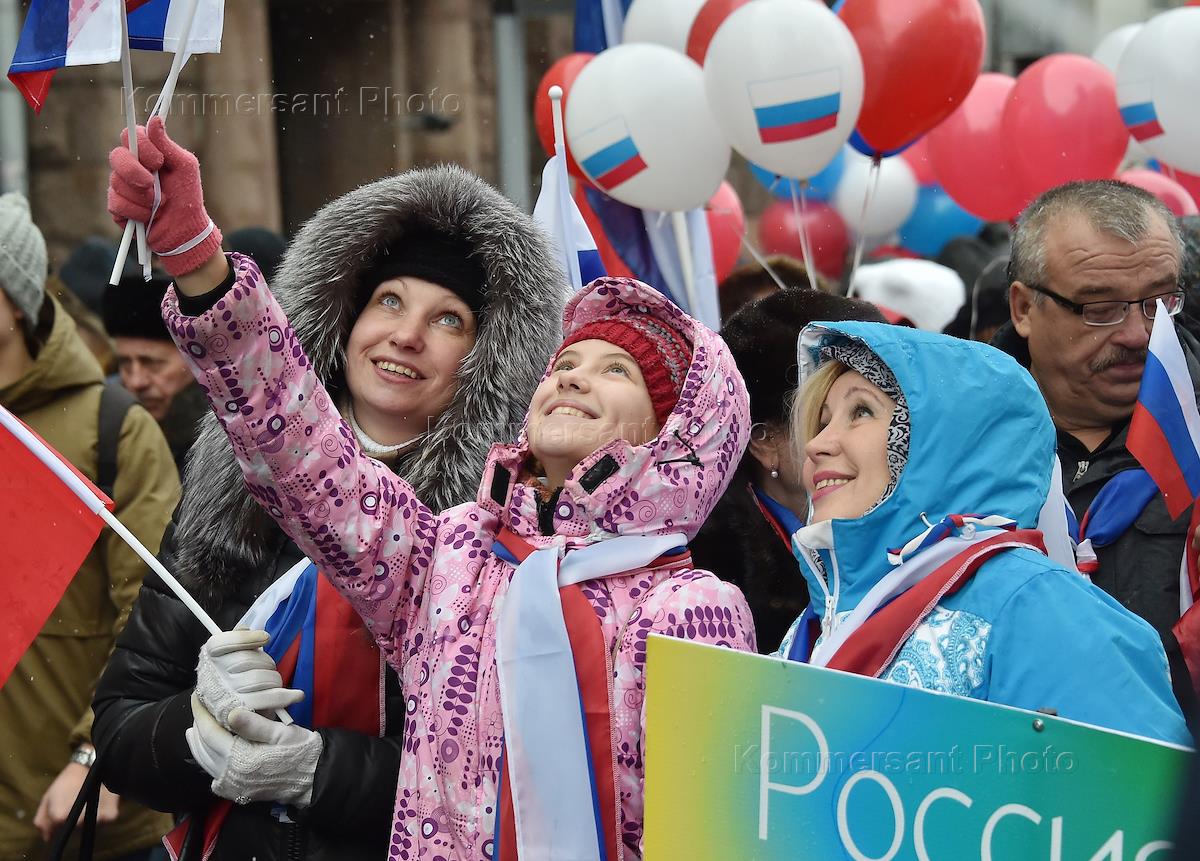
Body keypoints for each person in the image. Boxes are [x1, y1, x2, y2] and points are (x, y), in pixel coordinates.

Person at [106, 117, 757, 860]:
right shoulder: (452, 555)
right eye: (567, 364)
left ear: (678, 437)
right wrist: (198, 260)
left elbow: (706, 834)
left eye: (618, 370)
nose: (574, 374)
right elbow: (305, 453)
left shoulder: (694, 607)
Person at [93, 119, 566, 860]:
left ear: (486, 363)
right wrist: (201, 727)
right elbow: (120, 730)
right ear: (346, 317)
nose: (406, 335)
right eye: (389, 301)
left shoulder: (497, 536)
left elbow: (508, 782)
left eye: (448, 319)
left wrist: (319, 770)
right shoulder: (233, 484)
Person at [775, 318, 1189, 744]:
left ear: (942, 443)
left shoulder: (1040, 609)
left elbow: (1134, 799)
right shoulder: (816, 625)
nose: (816, 444)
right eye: (822, 421)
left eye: (861, 412)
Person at [0, 192, 180, 860]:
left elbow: (154, 620)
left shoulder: (114, 430)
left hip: (85, 821)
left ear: (16, 302)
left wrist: (93, 753)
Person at [993, 180, 1200, 707]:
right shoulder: (954, 445)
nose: (1138, 333)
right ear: (1024, 308)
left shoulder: (1192, 437)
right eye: (1099, 308)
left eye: (1160, 302)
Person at [692, 287, 885, 649]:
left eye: (865, 411)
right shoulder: (711, 568)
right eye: (820, 418)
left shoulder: (917, 535)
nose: (835, 440)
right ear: (763, 442)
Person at [102, 269, 208, 470]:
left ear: (194, 360)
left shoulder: (228, 442)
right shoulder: (104, 431)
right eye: (125, 363)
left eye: (152, 363)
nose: (136, 381)